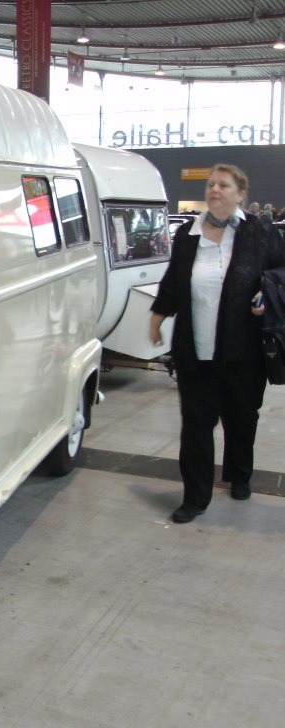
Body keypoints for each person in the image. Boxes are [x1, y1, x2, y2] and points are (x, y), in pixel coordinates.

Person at [149, 164, 285, 524]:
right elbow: (174, 280)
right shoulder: (187, 234)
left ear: (241, 194)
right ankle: (195, 498)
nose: (214, 190)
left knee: (241, 418)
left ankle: (239, 475)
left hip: (245, 353)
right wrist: (157, 318)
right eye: (211, 185)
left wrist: (267, 292)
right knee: (195, 425)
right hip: (194, 351)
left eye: (223, 185)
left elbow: (283, 271)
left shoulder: (261, 232)